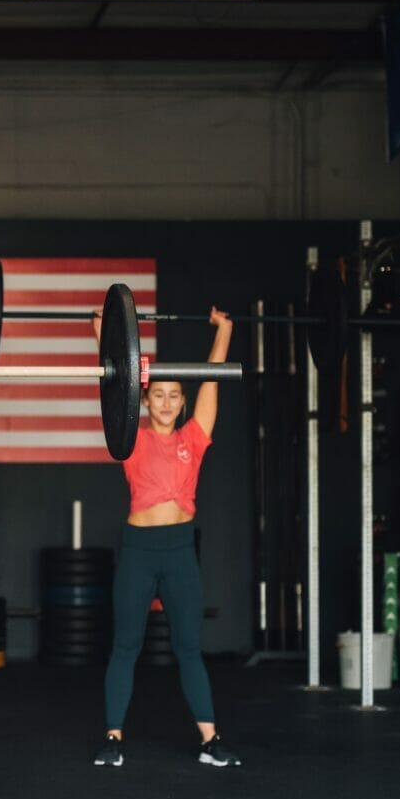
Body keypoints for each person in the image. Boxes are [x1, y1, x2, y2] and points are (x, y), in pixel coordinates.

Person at [90, 305, 241, 770]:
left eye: (176, 395)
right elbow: (113, 378)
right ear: (146, 398)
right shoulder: (129, 438)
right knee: (126, 646)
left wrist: (225, 331)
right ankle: (113, 738)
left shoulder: (194, 438)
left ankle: (210, 741)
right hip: (138, 552)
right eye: (159, 394)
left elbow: (211, 379)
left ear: (182, 402)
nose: (169, 402)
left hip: (178, 552)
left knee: (188, 647)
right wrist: (105, 329)